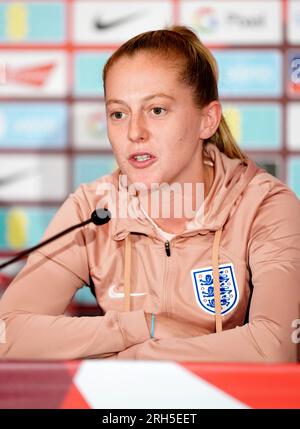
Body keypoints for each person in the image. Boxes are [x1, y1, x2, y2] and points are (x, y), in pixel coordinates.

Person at [0, 26, 299, 362]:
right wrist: (142, 326)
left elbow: (276, 347)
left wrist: (139, 358)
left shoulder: (264, 204)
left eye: (157, 110)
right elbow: (6, 333)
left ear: (207, 120)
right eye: (118, 113)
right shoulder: (92, 208)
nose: (134, 132)